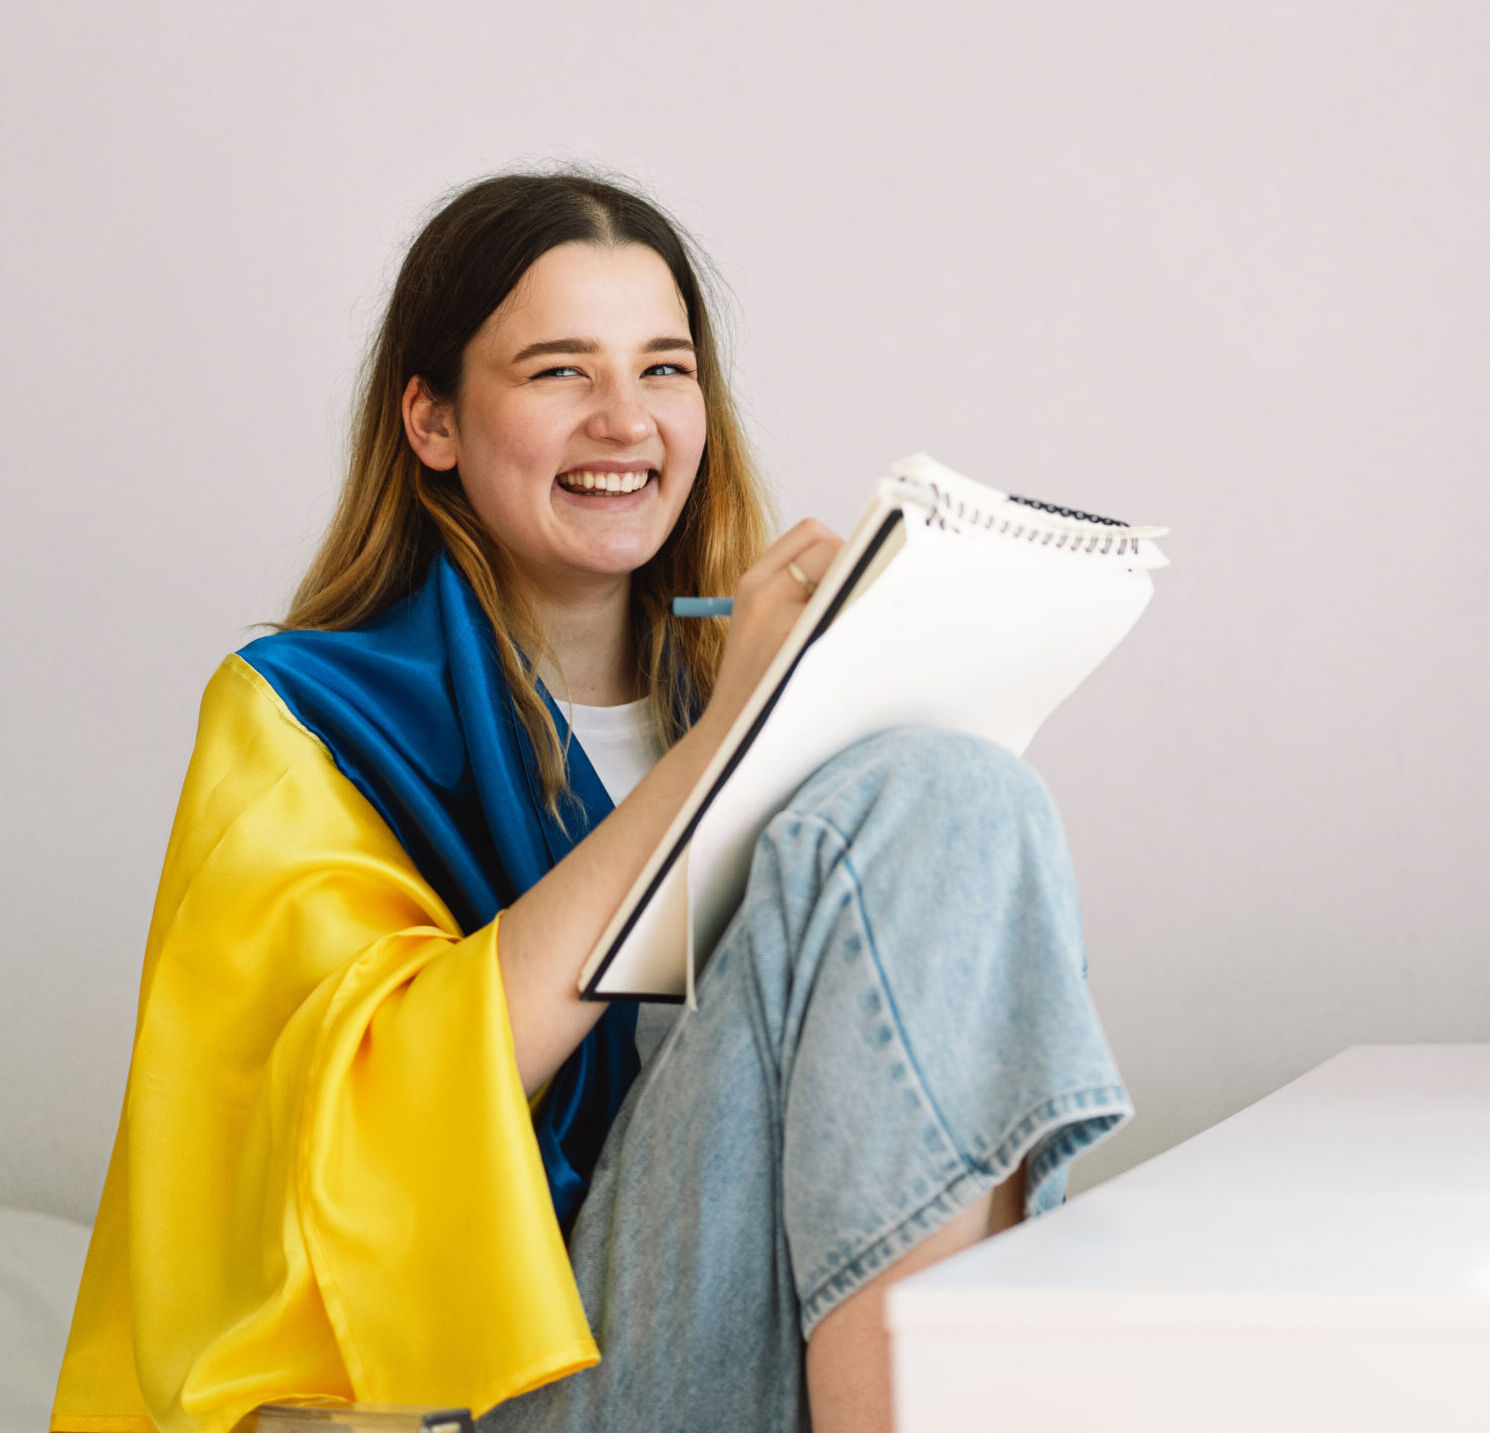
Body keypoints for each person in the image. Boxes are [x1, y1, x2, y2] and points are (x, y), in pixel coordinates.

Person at [51, 170, 1131, 1433]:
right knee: (943, 796)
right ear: (433, 420)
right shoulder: (304, 710)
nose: (626, 420)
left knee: (957, 791)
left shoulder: (725, 692)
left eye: (664, 370)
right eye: (560, 370)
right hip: (484, 1379)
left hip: (758, 1324)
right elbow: (382, 1124)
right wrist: (720, 748)